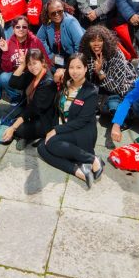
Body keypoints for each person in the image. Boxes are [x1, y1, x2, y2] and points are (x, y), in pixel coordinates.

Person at [38, 53, 104, 188]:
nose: (75, 71)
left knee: (51, 143)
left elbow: (82, 121)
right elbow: (59, 110)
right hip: (67, 129)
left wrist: (55, 130)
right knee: (41, 148)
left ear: (86, 69)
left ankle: (92, 159)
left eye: (79, 67)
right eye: (71, 67)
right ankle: (78, 171)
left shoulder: (91, 91)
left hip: (83, 132)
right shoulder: (65, 84)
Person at [0, 48, 57, 146]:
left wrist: (13, 127)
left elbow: (33, 109)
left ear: (42, 62)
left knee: (18, 129)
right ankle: (19, 134)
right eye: (29, 64)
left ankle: (23, 136)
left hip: (42, 120)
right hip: (28, 112)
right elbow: (13, 83)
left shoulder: (48, 82)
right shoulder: (32, 74)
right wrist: (22, 65)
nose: (32, 67)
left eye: (35, 63)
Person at [80, 25, 137, 120]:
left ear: (105, 41)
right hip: (100, 89)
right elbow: (87, 81)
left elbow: (118, 88)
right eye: (92, 41)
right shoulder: (88, 55)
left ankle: (127, 115)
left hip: (120, 90)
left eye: (100, 40)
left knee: (113, 106)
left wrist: (100, 72)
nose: (96, 44)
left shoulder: (116, 54)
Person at [0, 15, 50, 102]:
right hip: (17, 74)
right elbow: (6, 69)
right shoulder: (9, 43)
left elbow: (46, 61)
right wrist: (6, 51)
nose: (21, 29)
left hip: (32, 74)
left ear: (28, 29)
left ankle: (31, 96)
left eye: (24, 27)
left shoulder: (35, 41)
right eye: (18, 27)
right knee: (3, 77)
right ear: (13, 28)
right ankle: (17, 98)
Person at [37, 0, 85, 78]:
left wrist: (73, 65)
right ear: (48, 14)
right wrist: (50, 55)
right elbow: (39, 39)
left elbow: (80, 45)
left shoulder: (70, 22)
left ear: (63, 9)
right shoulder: (48, 22)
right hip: (59, 57)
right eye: (53, 13)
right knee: (45, 68)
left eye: (60, 11)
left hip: (74, 56)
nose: (57, 15)